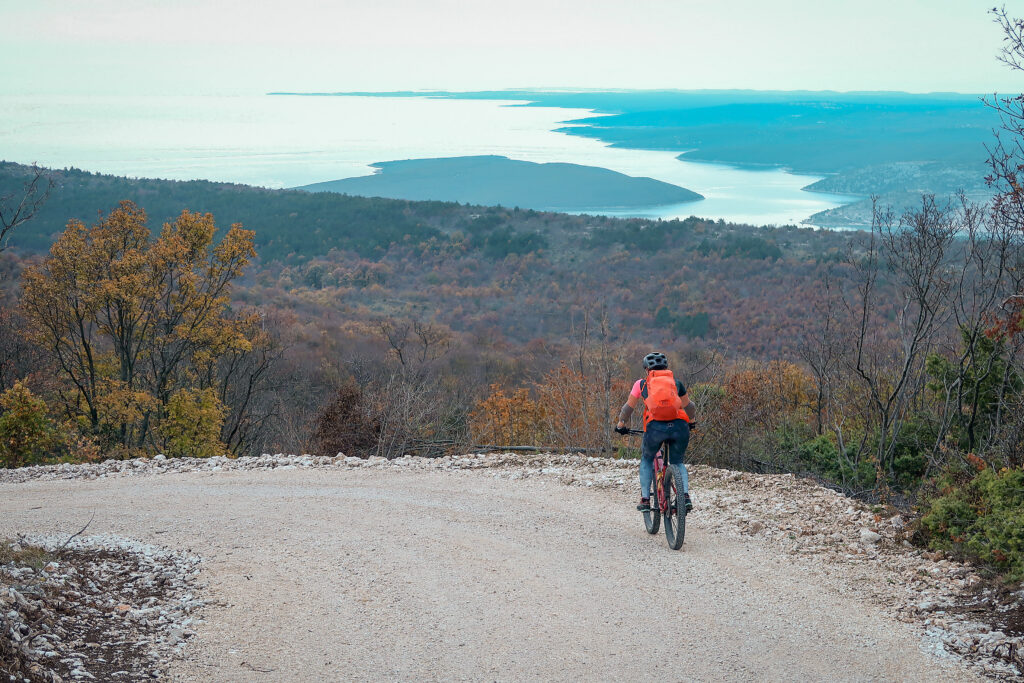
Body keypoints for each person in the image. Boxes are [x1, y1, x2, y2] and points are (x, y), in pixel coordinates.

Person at [615, 352, 694, 513]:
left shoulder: (641, 384)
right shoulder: (675, 383)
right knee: (677, 462)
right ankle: (684, 496)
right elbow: (689, 406)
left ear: (646, 369)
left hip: (655, 429)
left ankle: (645, 499)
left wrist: (621, 423)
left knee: (646, 459)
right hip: (679, 426)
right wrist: (692, 422)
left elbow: (628, 408)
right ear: (666, 368)